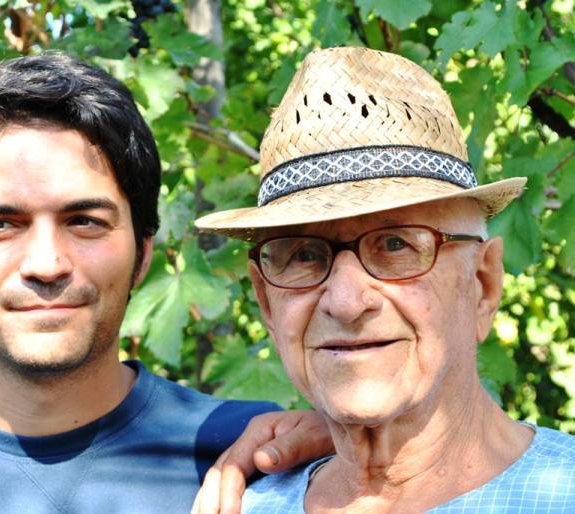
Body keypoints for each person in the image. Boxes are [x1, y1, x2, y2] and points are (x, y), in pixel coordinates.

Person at [0, 53, 332, 513]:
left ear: (143, 253)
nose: (46, 264)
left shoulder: (258, 458)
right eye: (0, 224)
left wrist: (350, 450)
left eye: (85, 221)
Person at [195, 46, 575, 513]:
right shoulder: (238, 505)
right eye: (304, 255)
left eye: (396, 245)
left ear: (482, 285)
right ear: (267, 303)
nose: (346, 302)